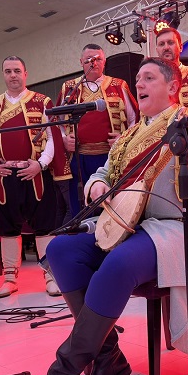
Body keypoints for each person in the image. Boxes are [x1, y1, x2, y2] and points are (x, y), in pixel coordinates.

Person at [13, 57, 188, 375]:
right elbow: (103, 171)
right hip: (124, 226)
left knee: (120, 262)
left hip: (177, 231)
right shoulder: (127, 135)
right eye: (137, 78)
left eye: (149, 78)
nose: (139, 84)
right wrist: (97, 184)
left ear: (172, 87)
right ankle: (108, 358)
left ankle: (62, 373)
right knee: (62, 249)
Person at [49, 43, 138, 295]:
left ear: (104, 61)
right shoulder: (69, 88)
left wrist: (122, 137)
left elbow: (134, 120)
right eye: (88, 59)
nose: (93, 63)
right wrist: (66, 138)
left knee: (111, 206)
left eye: (98, 59)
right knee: (81, 208)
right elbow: (57, 121)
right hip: (80, 157)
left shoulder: (119, 85)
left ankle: (112, 258)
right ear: (81, 62)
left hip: (111, 158)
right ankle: (82, 260)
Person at [0, 56, 68, 298]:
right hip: (3, 176)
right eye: (8, 71)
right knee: (8, 228)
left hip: (35, 174)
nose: (13, 75)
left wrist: (40, 164)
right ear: (3, 74)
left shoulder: (42, 102)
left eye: (17, 71)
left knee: (45, 227)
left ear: (25, 74)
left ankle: (51, 276)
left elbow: (53, 138)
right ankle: (10, 279)